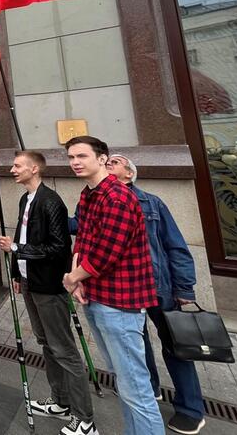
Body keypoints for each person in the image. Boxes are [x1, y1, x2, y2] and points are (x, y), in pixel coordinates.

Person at [61, 136, 163, 435]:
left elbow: (108, 252)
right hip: (96, 296)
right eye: (70, 157)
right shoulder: (89, 194)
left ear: (103, 158)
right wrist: (78, 276)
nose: (75, 162)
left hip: (119, 302)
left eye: (81, 156)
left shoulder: (117, 197)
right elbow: (84, 239)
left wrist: (73, 277)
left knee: (135, 388)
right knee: (124, 380)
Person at [0, 151, 98, 435]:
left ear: (34, 168)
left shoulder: (50, 201)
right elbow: (22, 235)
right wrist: (17, 273)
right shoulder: (24, 199)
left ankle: (85, 418)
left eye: (17, 165)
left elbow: (58, 247)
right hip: (31, 283)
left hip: (50, 286)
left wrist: (18, 251)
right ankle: (61, 401)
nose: (13, 169)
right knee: (46, 343)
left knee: (64, 350)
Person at [108, 154, 205, 434]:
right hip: (127, 289)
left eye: (114, 162)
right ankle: (149, 388)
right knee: (138, 342)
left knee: (176, 347)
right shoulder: (102, 201)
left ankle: (190, 408)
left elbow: (176, 246)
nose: (108, 165)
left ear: (129, 174)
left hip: (159, 287)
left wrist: (185, 287)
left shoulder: (152, 203)